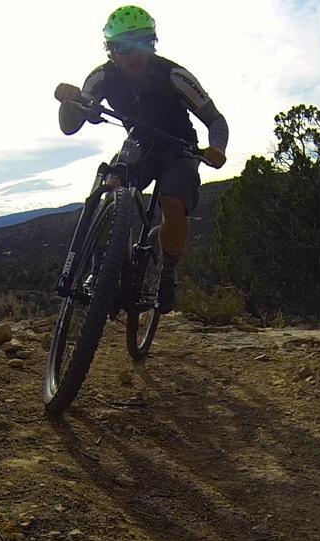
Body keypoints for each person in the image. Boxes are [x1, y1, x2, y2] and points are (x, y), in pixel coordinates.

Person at [77, 5, 229, 314]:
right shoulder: (101, 77)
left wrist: (218, 148)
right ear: (111, 49)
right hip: (139, 143)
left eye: (143, 43)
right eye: (124, 46)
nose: (134, 54)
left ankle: (167, 275)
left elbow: (215, 119)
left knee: (173, 205)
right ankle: (100, 271)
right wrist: (82, 107)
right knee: (110, 190)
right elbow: (87, 107)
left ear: (153, 42)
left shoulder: (174, 75)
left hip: (180, 147)